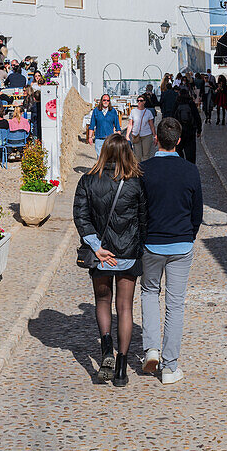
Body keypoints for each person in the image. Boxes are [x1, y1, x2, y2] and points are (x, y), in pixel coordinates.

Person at [73, 134, 148, 388]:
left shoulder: (87, 180)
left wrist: (97, 247)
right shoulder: (136, 183)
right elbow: (143, 220)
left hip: (100, 255)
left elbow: (80, 216)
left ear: (103, 151)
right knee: (125, 307)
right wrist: (139, 247)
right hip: (127, 255)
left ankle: (106, 348)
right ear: (127, 153)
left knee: (102, 301)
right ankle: (120, 370)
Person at [140, 117, 203, 386]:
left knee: (149, 292)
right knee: (175, 304)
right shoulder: (191, 171)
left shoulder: (143, 169)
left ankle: (151, 348)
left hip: (151, 243)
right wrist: (189, 235)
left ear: (157, 139)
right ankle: (170, 367)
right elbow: (197, 212)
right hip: (181, 243)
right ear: (178, 140)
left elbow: (138, 208)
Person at [174, 88, 201, 163]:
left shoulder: (177, 103)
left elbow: (173, 116)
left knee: (178, 150)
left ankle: (181, 165)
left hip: (179, 131)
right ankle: (191, 168)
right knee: (190, 153)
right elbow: (196, 116)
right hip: (190, 130)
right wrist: (199, 129)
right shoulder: (190, 103)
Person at [126, 95, 156, 163]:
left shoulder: (148, 112)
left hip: (146, 135)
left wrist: (155, 136)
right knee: (137, 156)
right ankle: (138, 170)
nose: (139, 102)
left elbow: (152, 126)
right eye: (138, 101)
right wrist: (127, 135)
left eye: (141, 100)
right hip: (136, 135)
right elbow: (130, 124)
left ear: (144, 102)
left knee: (146, 155)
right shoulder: (133, 111)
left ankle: (146, 170)